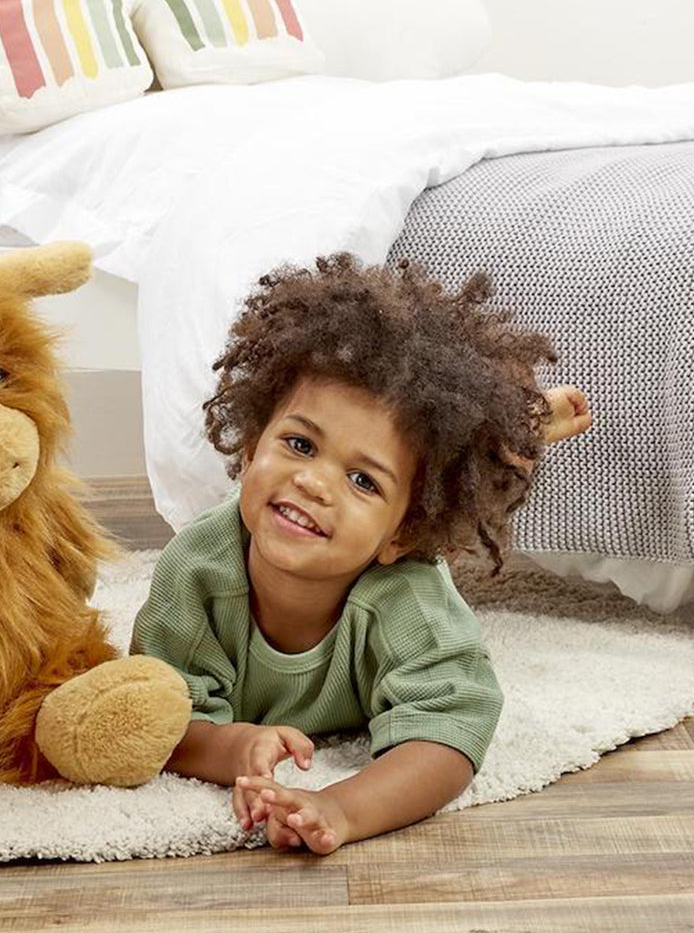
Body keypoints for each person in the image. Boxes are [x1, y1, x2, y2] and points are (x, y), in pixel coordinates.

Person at [128, 254, 592, 855]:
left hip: (399, 566)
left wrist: (341, 807)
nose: (314, 484)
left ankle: (507, 434)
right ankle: (483, 441)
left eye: (364, 481)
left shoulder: (409, 595)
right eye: (298, 444)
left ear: (401, 533)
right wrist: (235, 746)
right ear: (249, 450)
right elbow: (160, 715)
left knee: (451, 484)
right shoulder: (198, 568)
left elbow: (451, 736)